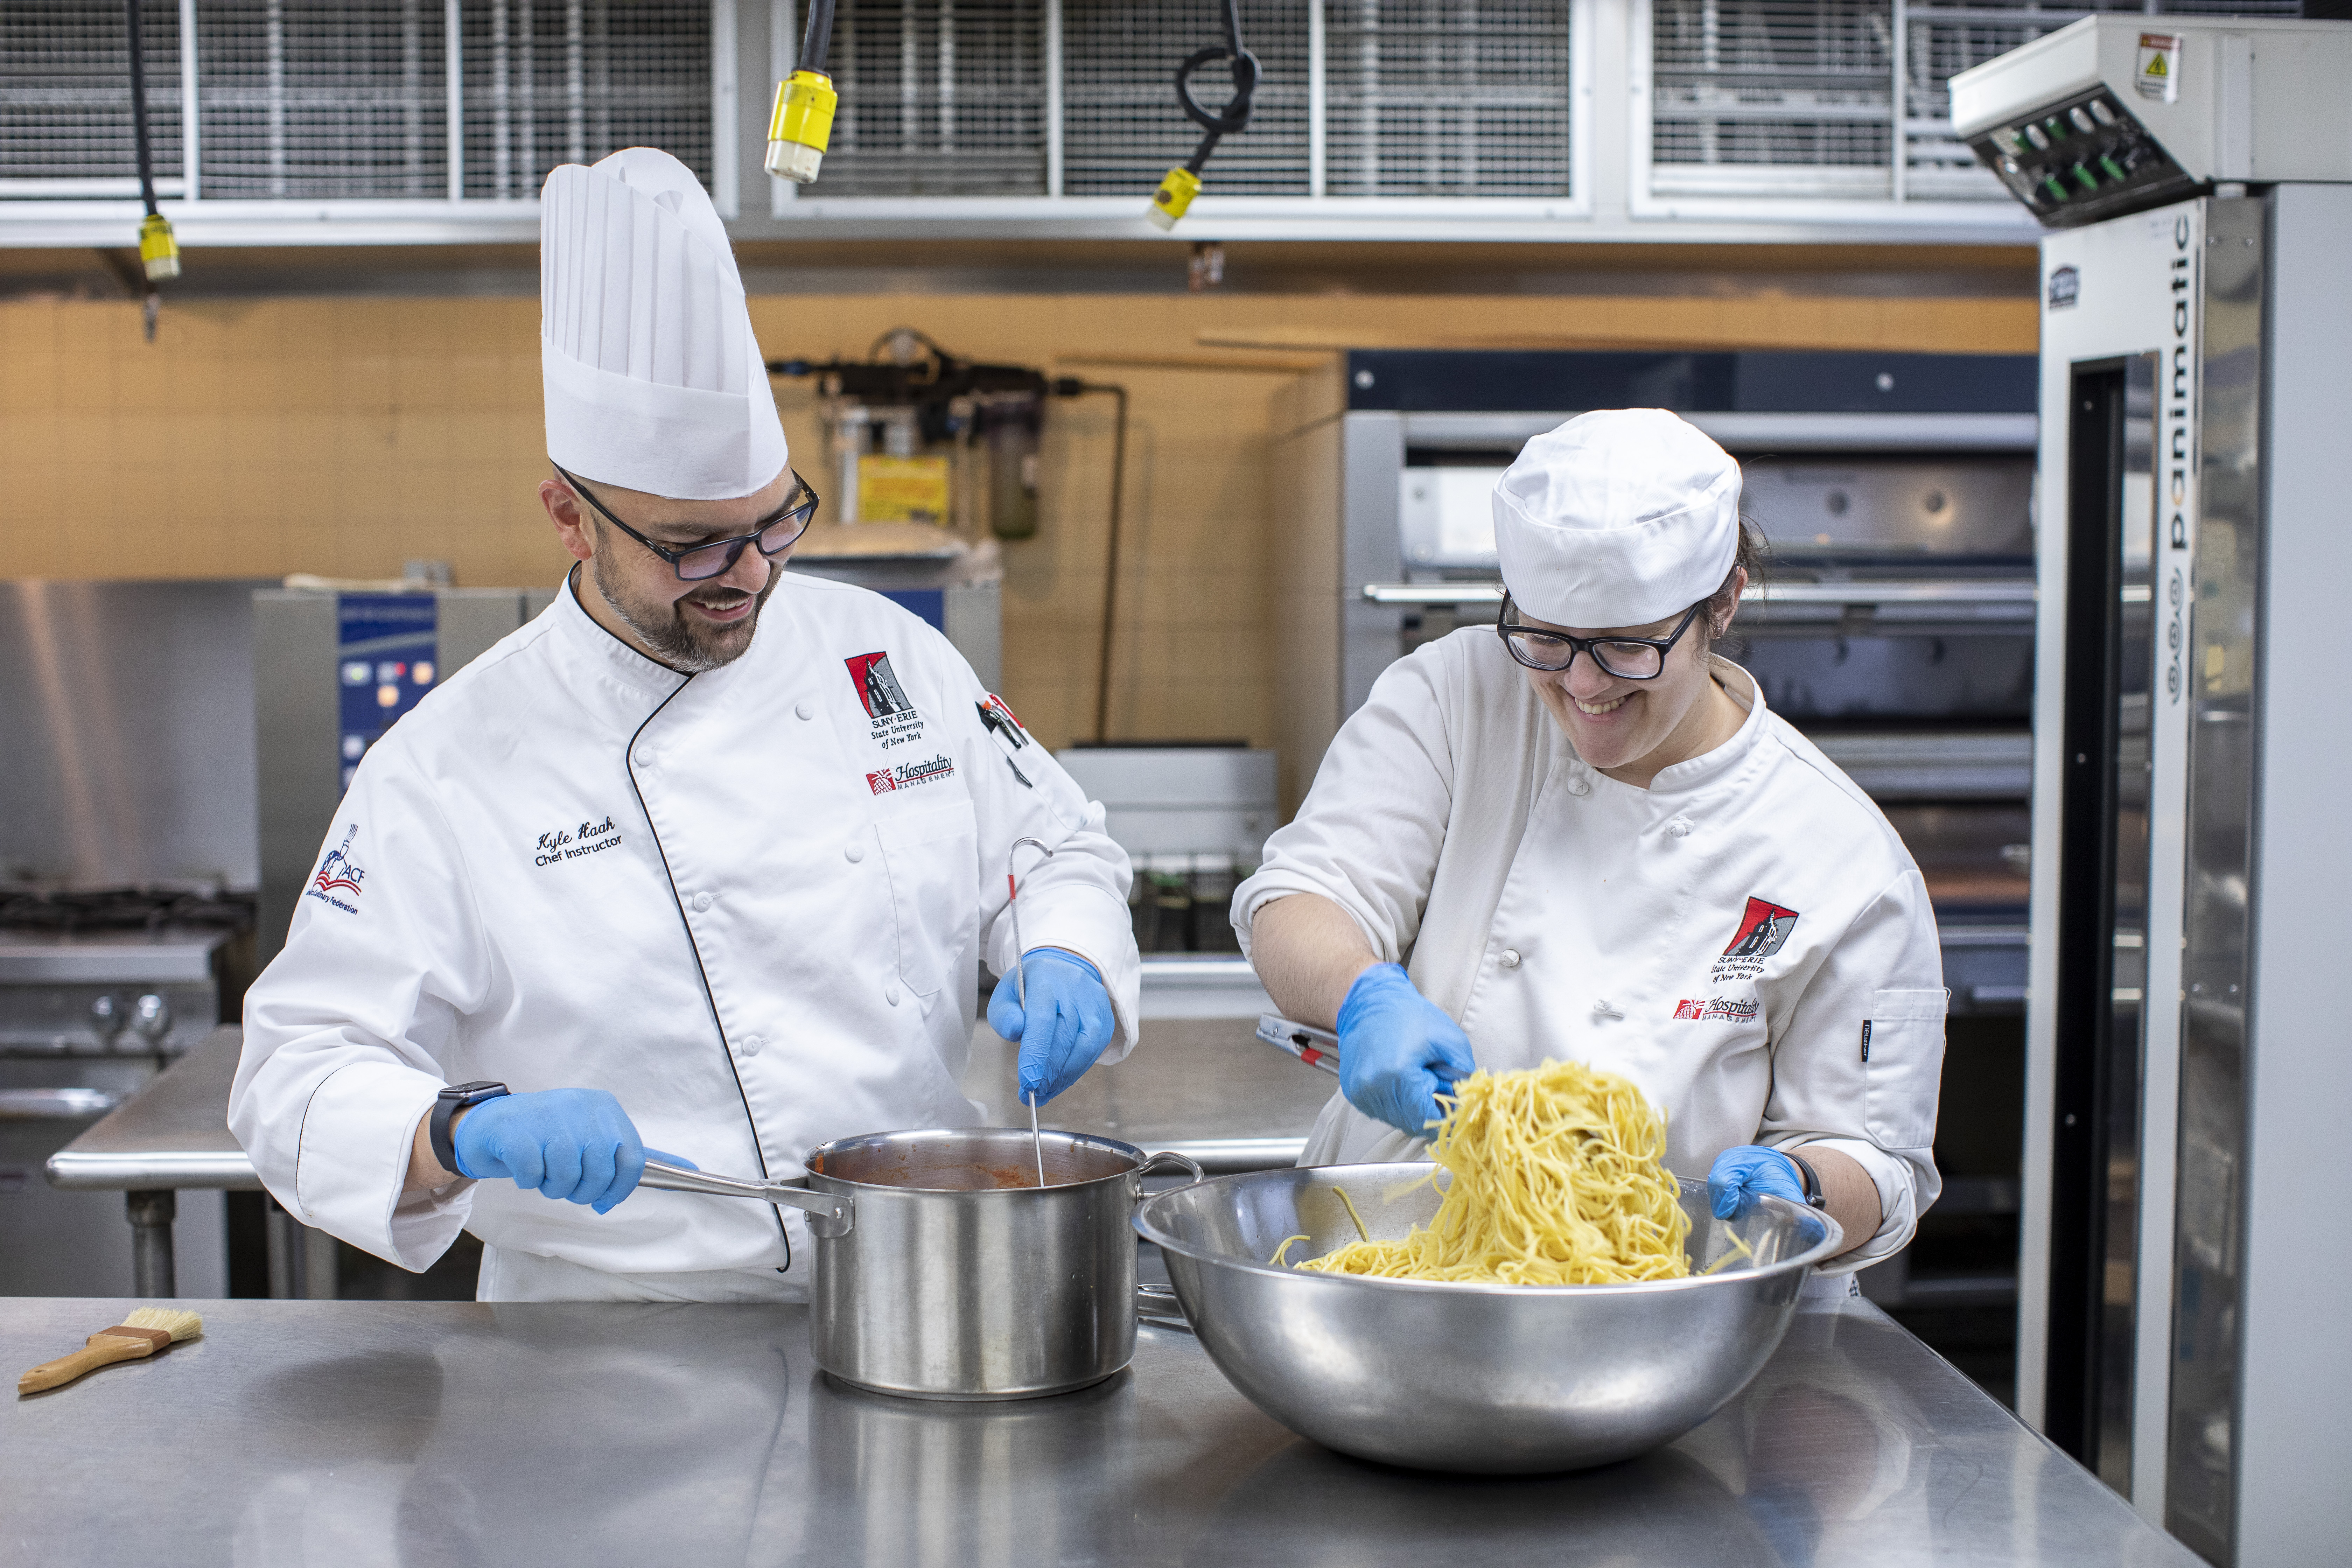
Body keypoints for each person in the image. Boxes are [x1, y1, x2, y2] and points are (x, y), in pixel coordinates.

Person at [230, 148, 1139, 1302]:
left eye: (776, 525)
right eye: (693, 545)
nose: (750, 576)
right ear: (570, 518)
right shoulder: (450, 764)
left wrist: (1064, 946)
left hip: (922, 1292)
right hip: (604, 1347)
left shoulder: (884, 654)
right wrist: (454, 1129)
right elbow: (294, 1077)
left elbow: (1052, 845)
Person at [1233, 409, 1943, 1277]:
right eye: (1547, 637)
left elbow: (1879, 1163)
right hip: (1387, 1272)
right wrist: (1362, 992)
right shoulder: (1456, 693)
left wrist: (1803, 1181)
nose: (1581, 684)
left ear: (1724, 600)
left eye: (1626, 646)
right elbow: (1302, 899)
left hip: (1656, 1316)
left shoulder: (1842, 856)